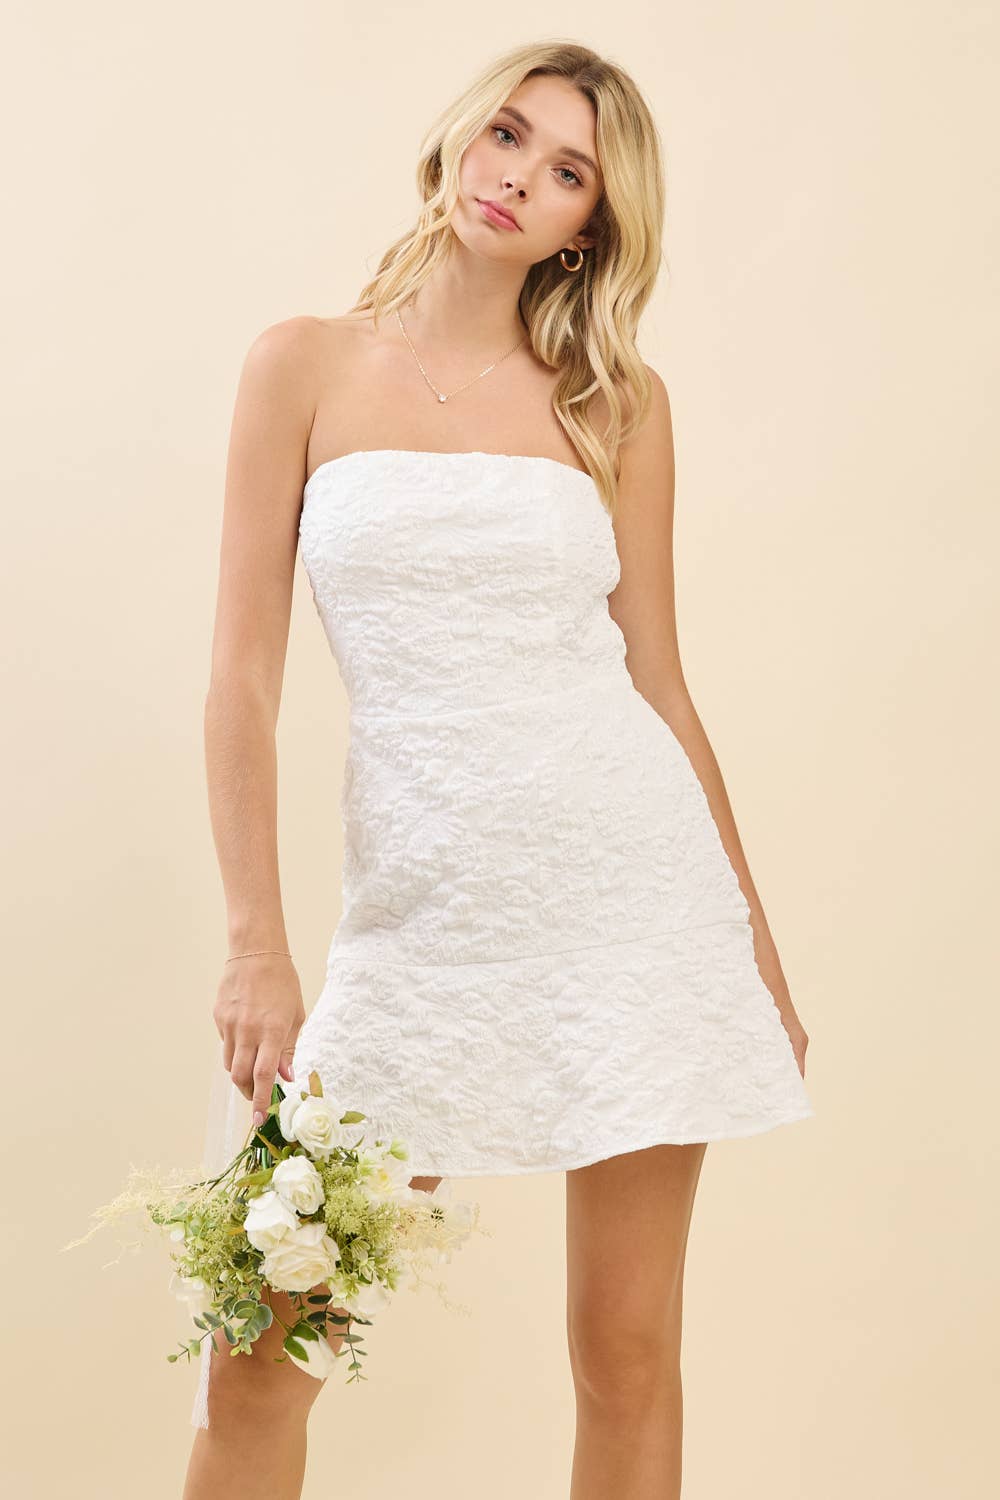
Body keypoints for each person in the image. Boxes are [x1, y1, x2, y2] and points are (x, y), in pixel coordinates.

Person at [183, 38, 814, 1500]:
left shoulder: (617, 403)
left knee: (626, 1356)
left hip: (634, 904)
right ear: (462, 138)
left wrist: (750, 949)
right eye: (511, 135)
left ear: (591, 221)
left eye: (569, 170)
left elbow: (658, 679)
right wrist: (255, 941)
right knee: (259, 1347)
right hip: (418, 928)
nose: (520, 177)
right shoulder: (302, 365)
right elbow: (242, 681)